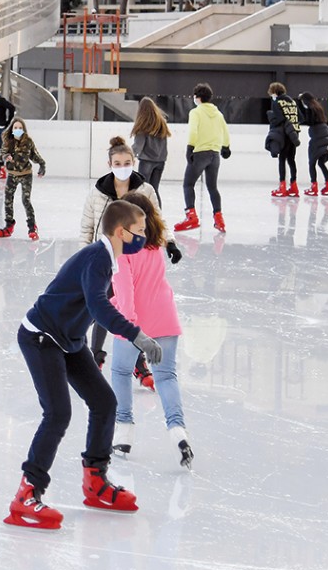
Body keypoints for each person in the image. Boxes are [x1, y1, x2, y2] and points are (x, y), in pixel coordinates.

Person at [6, 198, 162, 529]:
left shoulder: (108, 260)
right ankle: (26, 495)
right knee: (58, 412)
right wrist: (138, 336)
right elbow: (99, 306)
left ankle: (95, 483)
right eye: (140, 231)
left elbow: (95, 311)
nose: (144, 236)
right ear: (121, 232)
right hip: (42, 337)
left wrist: (100, 351)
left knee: (104, 402)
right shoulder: (97, 258)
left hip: (69, 339)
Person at [80, 136, 178, 375]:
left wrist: (170, 242)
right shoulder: (98, 192)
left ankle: (137, 361)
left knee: (132, 309)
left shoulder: (145, 190)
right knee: (103, 306)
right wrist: (85, 257)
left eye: (127, 162)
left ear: (133, 162)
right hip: (104, 258)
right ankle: (95, 355)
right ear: (110, 164)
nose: (122, 167)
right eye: (117, 163)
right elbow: (87, 226)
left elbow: (157, 220)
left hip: (134, 257)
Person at [110, 191, 192, 470]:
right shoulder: (155, 245)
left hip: (134, 323)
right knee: (166, 376)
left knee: (121, 371)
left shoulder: (122, 251)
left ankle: (124, 431)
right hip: (165, 318)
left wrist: (129, 325)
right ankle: (178, 432)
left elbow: (126, 291)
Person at [174, 84, 230, 233]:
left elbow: (193, 131)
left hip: (200, 153)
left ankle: (191, 216)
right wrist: (226, 146)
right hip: (214, 155)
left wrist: (190, 148)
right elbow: (225, 130)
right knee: (212, 187)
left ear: (197, 97)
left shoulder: (196, 112)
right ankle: (219, 219)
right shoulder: (218, 114)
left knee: (188, 184)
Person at [0, 118, 47, 239]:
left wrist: (42, 165)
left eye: (20, 128)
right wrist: (6, 156)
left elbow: (35, 155)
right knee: (8, 199)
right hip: (12, 175)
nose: (18, 130)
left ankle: (32, 227)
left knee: (26, 200)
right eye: (15, 128)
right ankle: (9, 225)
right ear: (12, 129)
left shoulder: (28, 141)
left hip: (26, 175)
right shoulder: (8, 141)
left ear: (23, 129)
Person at [265, 81, 302, 198]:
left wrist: (272, 119)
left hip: (285, 133)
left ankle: (282, 187)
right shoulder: (293, 101)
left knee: (282, 159)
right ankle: (294, 186)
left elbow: (280, 118)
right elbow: (301, 117)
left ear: (274, 92)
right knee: (291, 159)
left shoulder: (277, 102)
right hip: (295, 133)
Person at [130, 97, 170, 193]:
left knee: (143, 190)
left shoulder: (143, 126)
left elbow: (138, 146)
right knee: (154, 190)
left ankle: (143, 208)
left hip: (146, 161)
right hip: (160, 161)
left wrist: (127, 154)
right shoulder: (162, 123)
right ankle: (157, 208)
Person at [298, 92, 328, 197]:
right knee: (321, 163)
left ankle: (314, 187)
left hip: (317, 139)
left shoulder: (310, 108)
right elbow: (327, 121)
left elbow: (309, 121)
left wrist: (299, 123)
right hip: (326, 137)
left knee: (312, 163)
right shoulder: (318, 108)